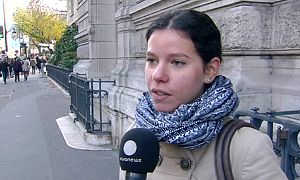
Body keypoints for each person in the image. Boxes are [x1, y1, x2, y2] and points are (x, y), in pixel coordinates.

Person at [119, 9, 287, 180]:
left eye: (177, 62)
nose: (157, 75)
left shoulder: (246, 148)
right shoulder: (137, 133)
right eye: (152, 60)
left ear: (209, 70)